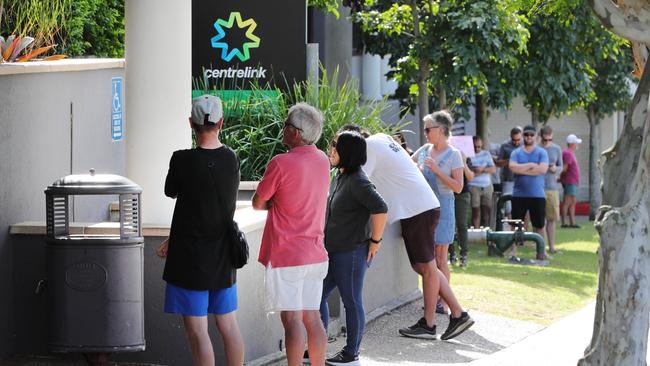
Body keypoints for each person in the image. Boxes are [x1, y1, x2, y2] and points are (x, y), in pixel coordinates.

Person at [340, 124, 474, 341]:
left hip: (418, 209)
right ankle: (458, 314)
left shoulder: (368, 149)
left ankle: (430, 324)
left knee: (428, 268)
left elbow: (359, 182)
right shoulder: (382, 137)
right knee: (423, 266)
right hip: (421, 206)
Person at [157, 95, 244, 366]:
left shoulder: (182, 160)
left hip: (190, 258)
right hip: (223, 255)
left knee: (197, 331)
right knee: (228, 326)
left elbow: (172, 191)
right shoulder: (232, 159)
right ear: (221, 122)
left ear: (190, 124)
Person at [252, 103, 330, 366]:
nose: (282, 130)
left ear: (295, 133)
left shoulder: (280, 163)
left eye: (286, 125)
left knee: (292, 321)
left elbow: (257, 202)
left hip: (287, 255)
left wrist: (276, 203)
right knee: (313, 318)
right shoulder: (322, 160)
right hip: (315, 252)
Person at [319, 131, 388, 365]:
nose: (331, 149)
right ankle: (317, 346)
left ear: (346, 151)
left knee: (351, 301)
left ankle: (351, 354)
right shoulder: (341, 175)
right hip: (334, 250)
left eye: (335, 146)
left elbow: (380, 207)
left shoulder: (358, 180)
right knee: (316, 296)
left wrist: (375, 242)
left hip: (351, 252)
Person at [509, 125, 549, 261]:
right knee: (515, 224)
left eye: (531, 135)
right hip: (519, 194)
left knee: (539, 225)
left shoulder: (542, 152)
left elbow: (543, 169)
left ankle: (541, 251)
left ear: (536, 136)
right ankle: (513, 251)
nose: (529, 137)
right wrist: (531, 165)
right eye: (526, 135)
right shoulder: (516, 153)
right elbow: (513, 167)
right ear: (523, 136)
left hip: (537, 195)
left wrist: (522, 169)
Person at [539, 126, 563, 253]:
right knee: (539, 219)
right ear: (541, 137)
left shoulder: (557, 149)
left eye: (550, 139)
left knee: (551, 218)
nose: (547, 142)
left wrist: (555, 169)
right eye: (545, 140)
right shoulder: (536, 149)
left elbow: (561, 167)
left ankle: (552, 247)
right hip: (538, 187)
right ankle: (540, 246)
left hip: (552, 187)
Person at [449, 152, 475, 267]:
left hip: (462, 195)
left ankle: (463, 254)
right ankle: (451, 254)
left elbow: (470, 177)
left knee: (462, 225)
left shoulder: (466, 158)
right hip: (448, 193)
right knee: (449, 225)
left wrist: (463, 162)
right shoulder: (447, 156)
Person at [468, 136, 496, 229]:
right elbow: (469, 171)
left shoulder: (486, 154)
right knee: (475, 209)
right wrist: (477, 171)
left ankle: (487, 230)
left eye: (479, 147)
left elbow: (493, 169)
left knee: (487, 209)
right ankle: (476, 230)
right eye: (475, 147)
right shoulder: (468, 155)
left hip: (487, 185)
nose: (477, 149)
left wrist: (482, 169)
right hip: (473, 185)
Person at [497, 127, 522, 218]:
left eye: (518, 140)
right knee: (508, 207)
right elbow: (498, 163)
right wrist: (509, 160)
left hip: (522, 178)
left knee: (523, 205)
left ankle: (523, 229)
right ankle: (511, 228)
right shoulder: (505, 146)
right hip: (509, 179)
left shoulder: (524, 146)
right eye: (514, 140)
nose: (516, 142)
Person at [560, 134, 582, 228]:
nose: (577, 145)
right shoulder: (568, 153)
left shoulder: (570, 153)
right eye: (576, 143)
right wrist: (560, 178)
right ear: (572, 143)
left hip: (573, 181)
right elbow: (565, 168)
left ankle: (572, 222)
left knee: (572, 202)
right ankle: (564, 223)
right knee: (567, 202)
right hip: (570, 181)